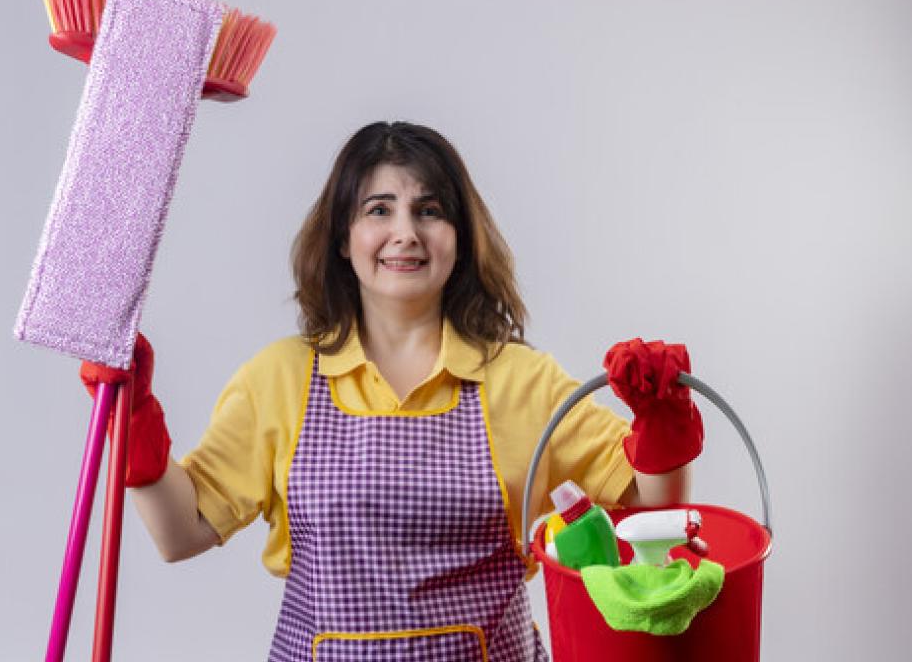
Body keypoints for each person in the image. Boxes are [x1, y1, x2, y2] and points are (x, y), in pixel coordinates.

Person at [82, 121, 702, 661]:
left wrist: (662, 417)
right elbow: (181, 532)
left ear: (460, 237)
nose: (405, 232)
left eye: (429, 210)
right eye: (378, 210)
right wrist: (134, 419)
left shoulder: (523, 381)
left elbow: (649, 505)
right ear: (342, 237)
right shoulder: (280, 379)